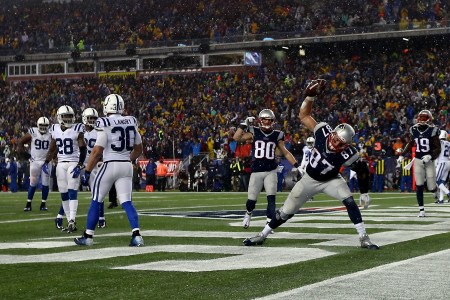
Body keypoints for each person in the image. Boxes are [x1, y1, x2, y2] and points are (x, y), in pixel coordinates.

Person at [243, 79, 379, 250]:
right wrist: (309, 98)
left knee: (350, 201)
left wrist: (364, 192)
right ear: (333, 134)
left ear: (347, 145)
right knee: (285, 212)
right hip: (309, 178)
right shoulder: (323, 131)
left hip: (331, 180)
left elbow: (363, 169)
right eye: (335, 139)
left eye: (340, 143)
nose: (335, 144)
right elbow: (304, 116)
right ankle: (262, 235)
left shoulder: (349, 153)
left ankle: (363, 237)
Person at [74, 93, 144, 246]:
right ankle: (137, 235)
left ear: (107, 106)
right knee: (127, 202)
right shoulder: (131, 121)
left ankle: (88, 236)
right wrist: (127, 159)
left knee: (96, 199)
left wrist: (87, 171)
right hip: (126, 166)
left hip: (110, 164)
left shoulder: (103, 122)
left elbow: (97, 151)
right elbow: (139, 149)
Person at [233, 108, 300, 230]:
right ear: (260, 120)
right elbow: (236, 137)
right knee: (251, 200)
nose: (267, 122)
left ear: (273, 121)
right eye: (265, 120)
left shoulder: (277, 134)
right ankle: (248, 213)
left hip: (271, 170)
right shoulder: (254, 132)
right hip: (257, 170)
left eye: (270, 120)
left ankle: (269, 223)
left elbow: (285, 152)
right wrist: (244, 124)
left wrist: (297, 165)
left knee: (271, 198)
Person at [45, 105, 87, 233]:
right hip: (60, 164)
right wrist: (46, 162)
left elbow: (83, 148)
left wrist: (80, 164)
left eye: (70, 116)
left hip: (73, 162)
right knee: (63, 193)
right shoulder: (55, 129)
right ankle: (69, 221)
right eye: (65, 116)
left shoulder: (77, 129)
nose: (68, 119)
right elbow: (52, 148)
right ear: (59, 117)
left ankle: (72, 219)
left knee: (72, 191)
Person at [397, 110, 441, 217]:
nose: (422, 120)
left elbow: (438, 148)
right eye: (420, 118)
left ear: (429, 119)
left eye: (424, 118)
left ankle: (435, 191)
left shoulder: (433, 130)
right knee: (419, 184)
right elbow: (411, 142)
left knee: (431, 185)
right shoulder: (414, 129)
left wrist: (430, 155)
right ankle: (421, 210)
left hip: (429, 159)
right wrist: (402, 154)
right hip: (417, 160)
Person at [18, 117, 51, 211]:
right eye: (42, 125)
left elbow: (54, 146)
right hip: (35, 161)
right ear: (37, 125)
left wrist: (52, 156)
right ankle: (28, 203)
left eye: (45, 126)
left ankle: (43, 203)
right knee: (33, 183)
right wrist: (25, 155)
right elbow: (21, 142)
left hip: (46, 162)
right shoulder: (33, 131)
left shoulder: (51, 133)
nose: (44, 128)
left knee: (45, 184)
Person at [434, 130, 450, 203]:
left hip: (442, 162)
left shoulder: (439, 143)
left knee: (436, 180)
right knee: (442, 182)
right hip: (448, 162)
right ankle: (441, 199)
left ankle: (448, 192)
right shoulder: (449, 143)